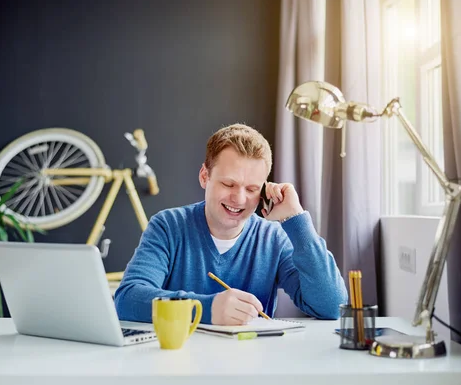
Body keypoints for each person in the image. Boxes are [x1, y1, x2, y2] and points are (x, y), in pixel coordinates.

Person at [114, 123, 347, 325]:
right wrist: (206, 309)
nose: (239, 199)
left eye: (252, 189)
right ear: (205, 176)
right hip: (179, 365)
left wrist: (296, 220)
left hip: (251, 367)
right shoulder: (168, 226)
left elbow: (332, 305)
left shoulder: (273, 238)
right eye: (228, 184)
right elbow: (128, 299)